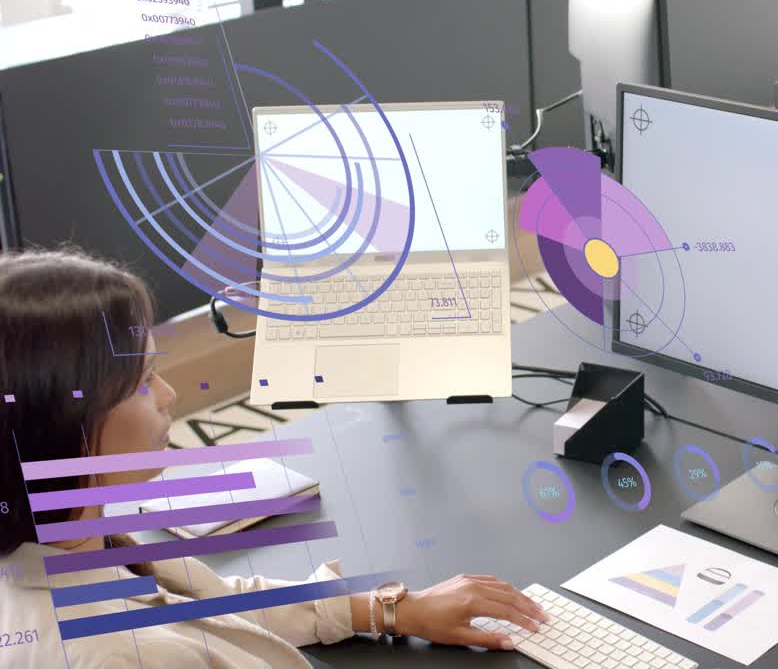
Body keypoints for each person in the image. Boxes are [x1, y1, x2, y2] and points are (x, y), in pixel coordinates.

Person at [0, 249, 546, 668]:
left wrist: (391, 608)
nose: (168, 395)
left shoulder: (66, 541)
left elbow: (216, 607)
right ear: (63, 423)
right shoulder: (122, 655)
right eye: (143, 382)